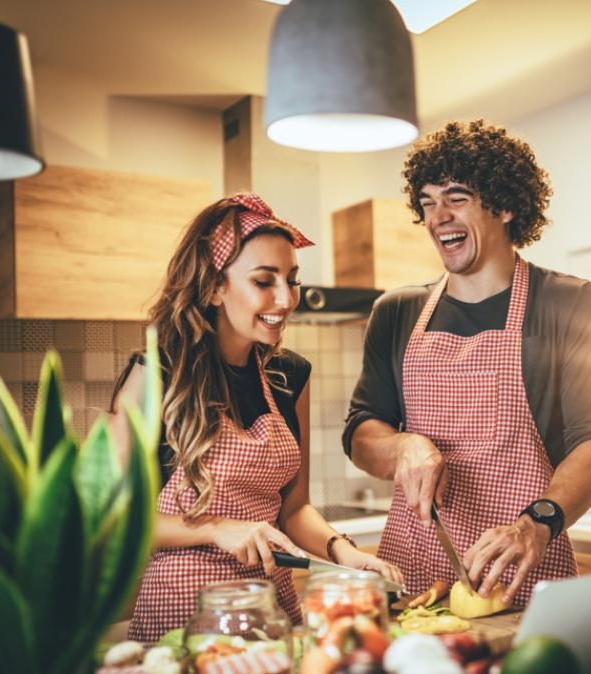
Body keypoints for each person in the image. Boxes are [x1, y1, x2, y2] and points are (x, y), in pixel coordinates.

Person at [343, 120, 591, 606]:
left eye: (456, 197)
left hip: (524, 572)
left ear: (506, 204)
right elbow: (360, 433)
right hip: (412, 580)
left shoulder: (572, 304)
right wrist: (403, 447)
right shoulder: (396, 312)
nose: (439, 217)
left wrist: (536, 524)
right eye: (428, 202)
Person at [113, 193, 403, 641]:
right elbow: (115, 519)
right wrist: (215, 529)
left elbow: (295, 509)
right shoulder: (155, 376)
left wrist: (342, 551)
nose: (286, 299)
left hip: (271, 610)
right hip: (183, 617)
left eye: (292, 279)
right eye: (264, 281)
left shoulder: (290, 377)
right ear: (214, 287)